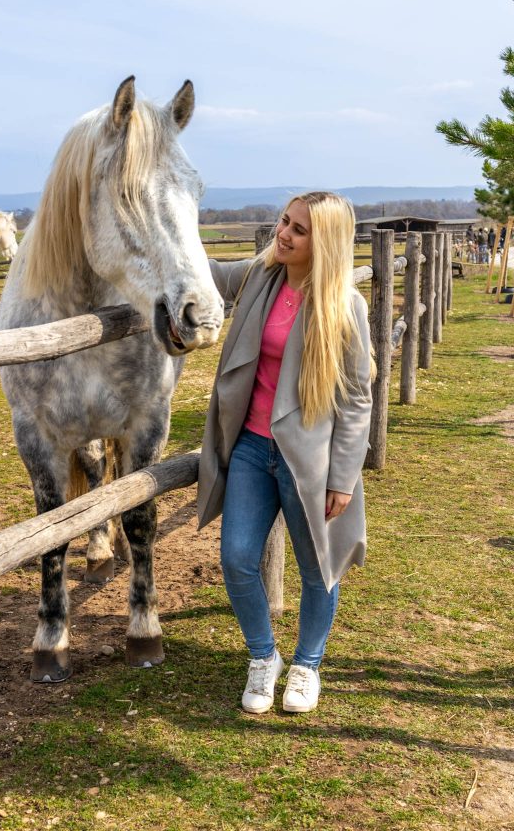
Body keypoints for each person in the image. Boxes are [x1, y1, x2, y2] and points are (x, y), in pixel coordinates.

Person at [198, 191, 374, 716]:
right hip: (251, 449)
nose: (284, 234)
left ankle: (306, 665)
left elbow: (358, 398)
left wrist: (343, 475)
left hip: (310, 461)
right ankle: (263, 657)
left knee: (319, 567)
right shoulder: (261, 277)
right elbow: (203, 271)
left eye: (299, 229)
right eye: (284, 221)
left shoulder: (345, 307)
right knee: (236, 558)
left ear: (326, 242)